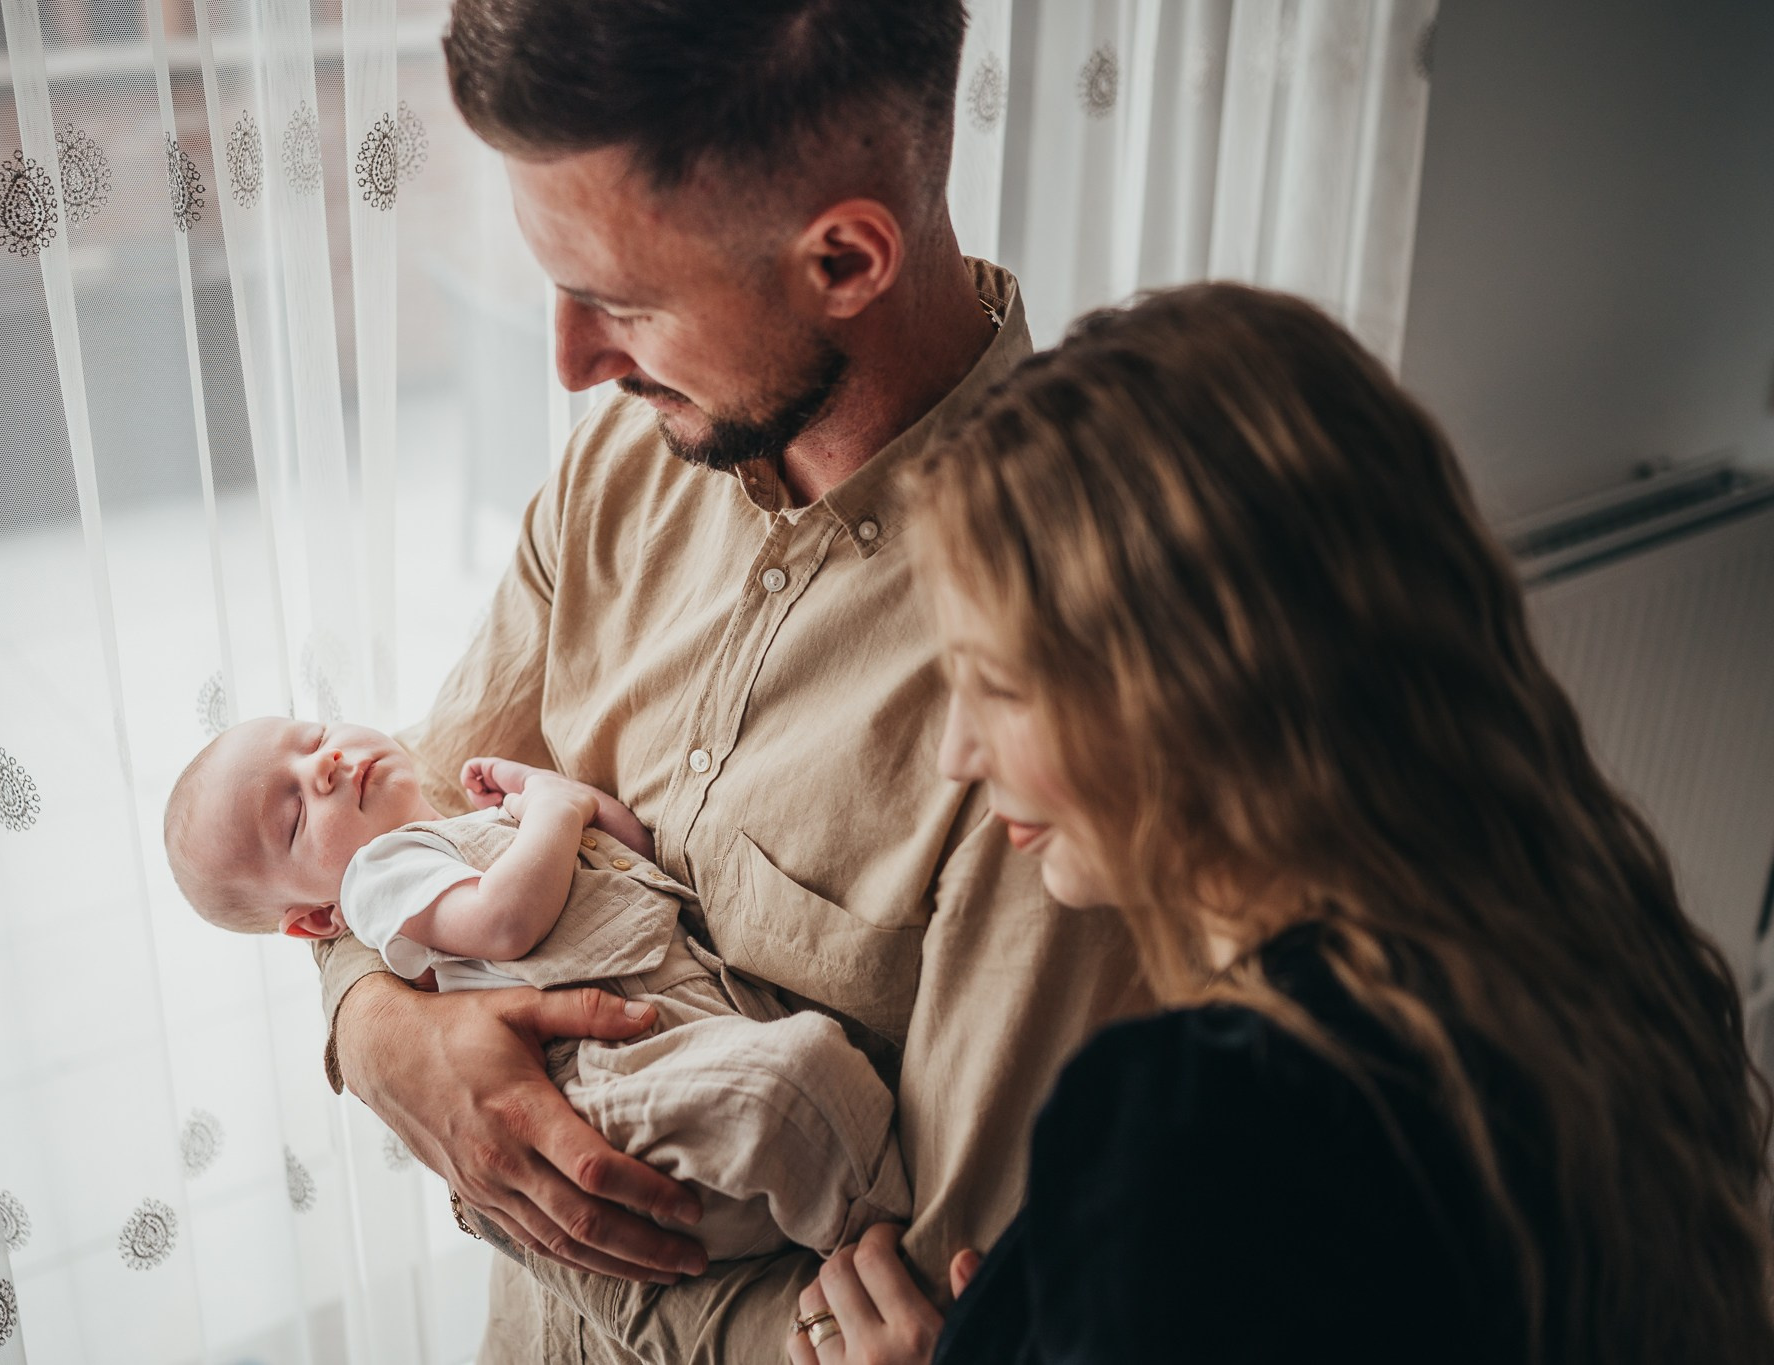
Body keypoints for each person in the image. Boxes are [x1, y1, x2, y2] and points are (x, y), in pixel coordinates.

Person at [313, 1, 1150, 1359]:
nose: (572, 364)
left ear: (845, 258)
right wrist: (374, 1031)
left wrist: (497, 1165)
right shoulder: (621, 463)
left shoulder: (1066, 678)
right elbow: (397, 820)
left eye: (623, 302)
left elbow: (932, 1306)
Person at [782, 283, 1774, 1365]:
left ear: (1195, 689)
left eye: (1002, 688)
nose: (956, 755)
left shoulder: (1205, 1125)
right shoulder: (1608, 948)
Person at [163, 719, 908, 1260]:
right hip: (609, 1076)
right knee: (788, 1082)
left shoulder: (479, 827)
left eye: (313, 735)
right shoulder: (379, 879)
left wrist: (556, 797)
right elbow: (506, 921)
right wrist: (553, 807)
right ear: (320, 919)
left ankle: (870, 1209)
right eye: (295, 813)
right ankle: (886, 1236)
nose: (324, 765)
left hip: (692, 1012)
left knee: (820, 1065)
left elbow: (631, 850)